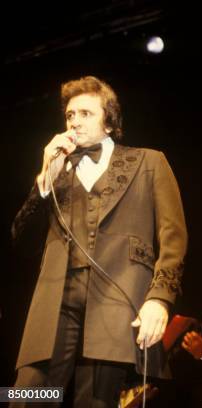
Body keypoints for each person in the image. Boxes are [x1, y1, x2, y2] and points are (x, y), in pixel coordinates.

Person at [11, 76, 187, 407]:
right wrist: (44, 180)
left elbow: (173, 238)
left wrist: (160, 298)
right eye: (70, 114)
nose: (74, 121)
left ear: (109, 120)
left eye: (86, 113)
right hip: (55, 303)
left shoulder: (149, 162)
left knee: (94, 402)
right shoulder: (57, 173)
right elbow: (19, 240)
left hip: (114, 300)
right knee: (25, 394)